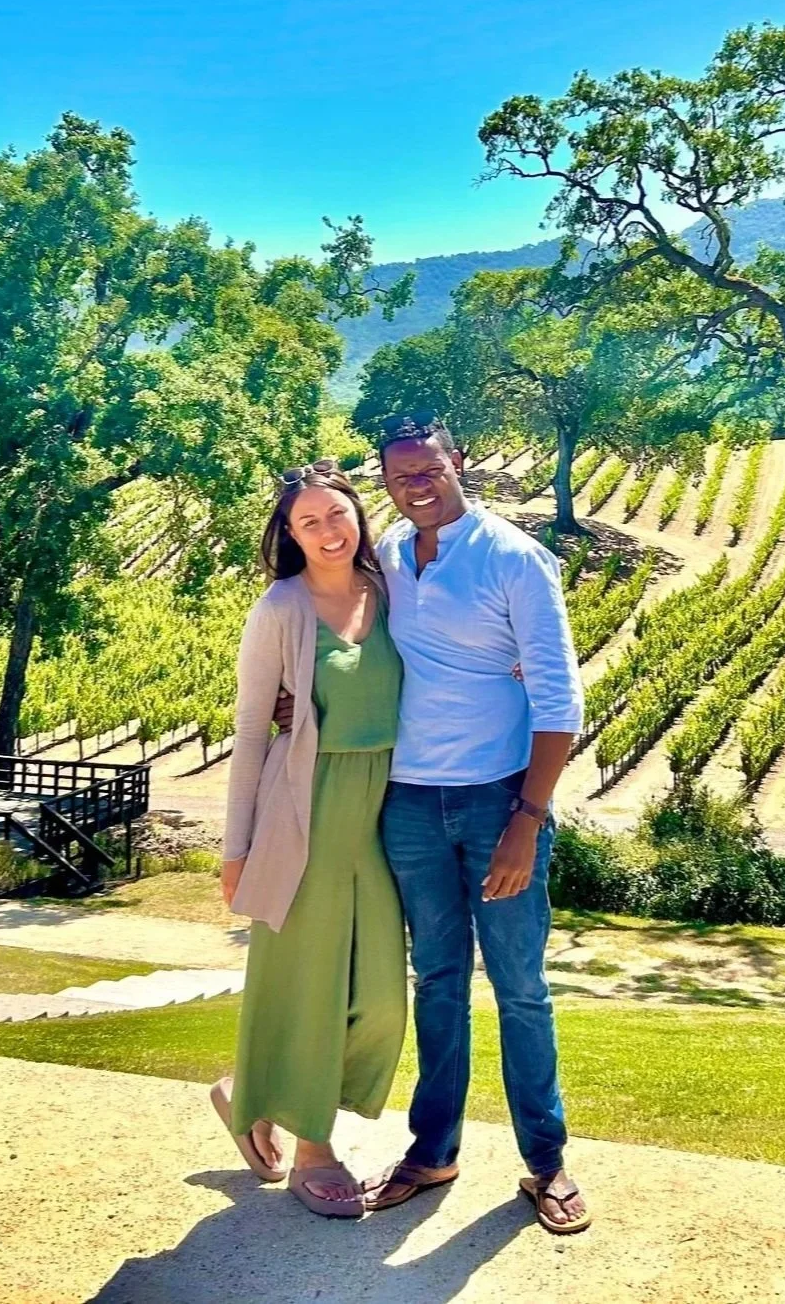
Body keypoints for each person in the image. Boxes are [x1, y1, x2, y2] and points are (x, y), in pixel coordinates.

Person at [366, 412, 591, 1236]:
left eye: (429, 468)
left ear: (458, 461)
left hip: (500, 800)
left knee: (522, 989)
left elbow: (560, 701)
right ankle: (433, 1151)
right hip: (410, 803)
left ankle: (548, 1162)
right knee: (438, 983)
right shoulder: (387, 555)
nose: (417, 484)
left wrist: (528, 820)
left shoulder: (516, 558)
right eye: (401, 475)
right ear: (386, 482)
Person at [211, 460, 407, 1219]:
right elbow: (252, 731)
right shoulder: (281, 607)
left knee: (384, 997)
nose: (330, 530)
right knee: (310, 986)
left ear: (360, 513)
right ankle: (313, 1149)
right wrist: (236, 849)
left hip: (389, 804)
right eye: (309, 521)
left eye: (338, 513)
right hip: (305, 809)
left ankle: (248, 1085)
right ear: (288, 536)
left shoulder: (392, 589)